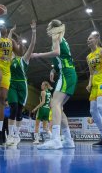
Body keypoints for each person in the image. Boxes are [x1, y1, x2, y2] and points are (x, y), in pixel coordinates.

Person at [31, 19, 77, 149]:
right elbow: (62, 57)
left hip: (66, 74)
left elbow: (56, 52)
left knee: (54, 103)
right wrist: (53, 69)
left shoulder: (56, 35)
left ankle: (56, 139)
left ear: (52, 27)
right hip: (68, 73)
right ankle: (68, 140)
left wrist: (38, 55)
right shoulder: (63, 38)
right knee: (59, 107)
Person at [0, 15, 23, 145]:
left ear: (7, 30)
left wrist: (19, 42)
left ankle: (0, 132)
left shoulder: (10, 41)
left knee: (1, 100)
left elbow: (20, 53)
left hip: (7, 71)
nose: (2, 26)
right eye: (0, 25)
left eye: (3, 25)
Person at [6, 21, 37, 146]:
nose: (20, 47)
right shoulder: (11, 57)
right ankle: (10, 135)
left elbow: (33, 45)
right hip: (12, 84)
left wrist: (33, 30)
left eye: (22, 47)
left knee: (19, 111)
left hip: (22, 86)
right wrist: (11, 32)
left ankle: (16, 134)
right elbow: (8, 43)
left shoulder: (25, 59)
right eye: (18, 45)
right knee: (13, 108)